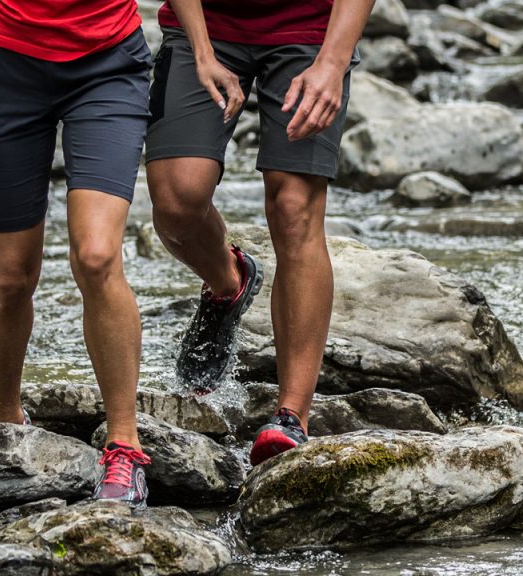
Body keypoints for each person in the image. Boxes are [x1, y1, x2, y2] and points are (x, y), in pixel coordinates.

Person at [145, 0, 374, 466]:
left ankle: (291, 416)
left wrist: (331, 63)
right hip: (204, 25)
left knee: (294, 210)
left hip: (308, 30)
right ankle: (230, 283)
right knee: (176, 203)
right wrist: (203, 51)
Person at [0, 0, 153, 506]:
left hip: (108, 63)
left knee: (96, 255)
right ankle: (6, 417)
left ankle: (124, 445)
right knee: (9, 276)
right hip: (4, 62)